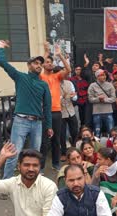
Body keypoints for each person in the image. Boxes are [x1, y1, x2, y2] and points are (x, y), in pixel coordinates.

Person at [0, 40, 52, 180]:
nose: (38, 66)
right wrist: (1, 47)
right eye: (35, 63)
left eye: (40, 64)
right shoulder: (20, 77)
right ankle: (6, 185)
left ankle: (33, 183)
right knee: (13, 154)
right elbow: (2, 62)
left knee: (35, 156)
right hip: (21, 121)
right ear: (29, 65)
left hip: (37, 124)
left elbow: (47, 106)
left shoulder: (43, 84)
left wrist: (49, 126)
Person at [40, 42, 72, 172]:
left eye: (51, 62)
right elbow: (39, 65)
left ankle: (55, 163)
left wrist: (60, 55)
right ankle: (41, 167)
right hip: (44, 112)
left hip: (57, 112)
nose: (49, 63)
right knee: (44, 141)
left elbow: (68, 70)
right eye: (47, 62)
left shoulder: (57, 76)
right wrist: (46, 51)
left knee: (56, 139)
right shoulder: (40, 76)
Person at [57, 67, 79, 163]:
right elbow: (52, 99)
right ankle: (63, 153)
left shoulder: (69, 83)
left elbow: (74, 97)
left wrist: (74, 96)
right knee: (61, 134)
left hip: (70, 110)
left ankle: (74, 149)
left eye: (63, 73)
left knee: (75, 130)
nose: (63, 75)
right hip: (60, 112)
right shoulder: (52, 84)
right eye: (60, 73)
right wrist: (63, 96)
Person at [88, 69, 116, 137]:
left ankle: (112, 144)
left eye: (104, 75)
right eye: (101, 75)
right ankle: (97, 145)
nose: (104, 77)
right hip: (97, 112)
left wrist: (105, 100)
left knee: (111, 130)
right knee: (97, 131)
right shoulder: (92, 86)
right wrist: (98, 99)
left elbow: (113, 98)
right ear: (97, 76)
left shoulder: (110, 85)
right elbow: (90, 99)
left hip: (108, 111)